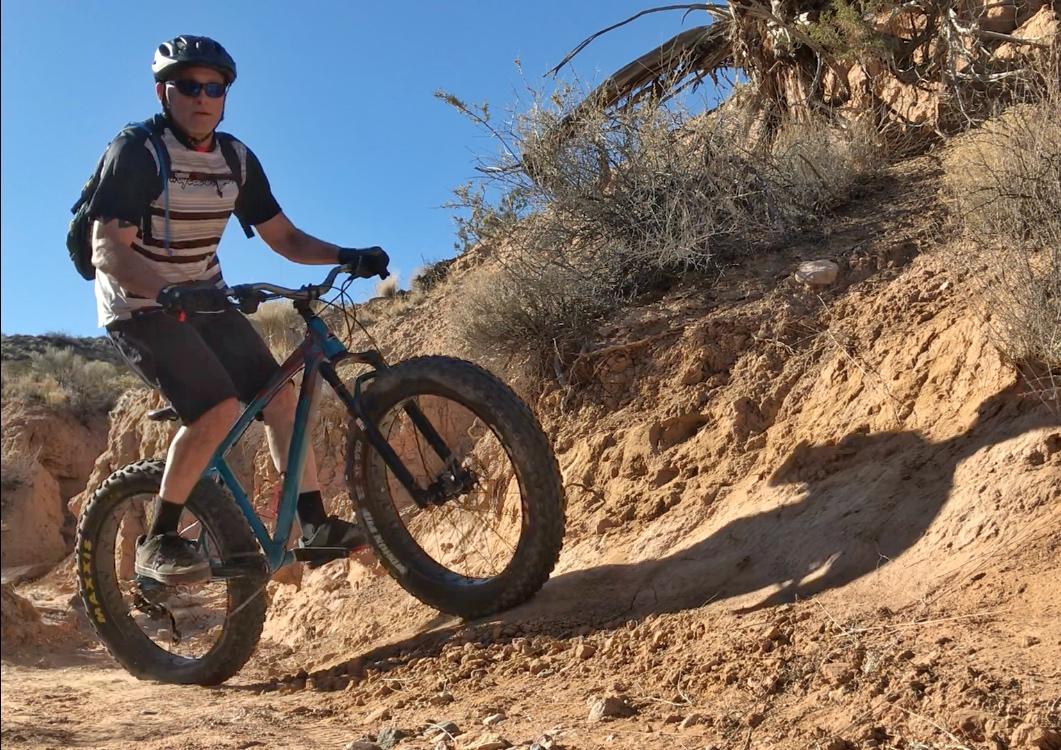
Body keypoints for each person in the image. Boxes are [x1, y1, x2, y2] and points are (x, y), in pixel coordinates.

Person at [89, 35, 389, 585]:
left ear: (226, 95)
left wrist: (348, 253)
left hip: (203, 297)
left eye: (214, 87)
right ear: (164, 92)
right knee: (218, 409)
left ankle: (315, 525)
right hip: (138, 305)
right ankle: (158, 541)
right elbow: (107, 250)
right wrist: (165, 292)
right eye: (188, 85)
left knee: (281, 396)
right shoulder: (136, 152)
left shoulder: (235, 159)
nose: (202, 97)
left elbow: (285, 238)